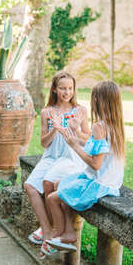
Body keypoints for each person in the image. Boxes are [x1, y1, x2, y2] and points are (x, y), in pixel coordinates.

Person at [46, 80, 125, 252]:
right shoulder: (114, 125)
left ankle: (59, 236)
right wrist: (76, 132)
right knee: (59, 184)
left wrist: (74, 145)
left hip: (99, 184)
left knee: (52, 198)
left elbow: (95, 164)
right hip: (110, 181)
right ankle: (68, 231)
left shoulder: (99, 127)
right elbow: (92, 145)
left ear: (97, 100)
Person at [24, 71, 90, 255]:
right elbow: (44, 143)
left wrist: (75, 130)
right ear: (54, 89)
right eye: (62, 88)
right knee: (29, 186)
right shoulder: (47, 112)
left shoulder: (80, 111)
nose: (66, 92)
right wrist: (55, 129)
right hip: (51, 156)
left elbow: (88, 139)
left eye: (70, 88)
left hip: (71, 156)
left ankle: (56, 233)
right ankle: (47, 232)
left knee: (49, 183)